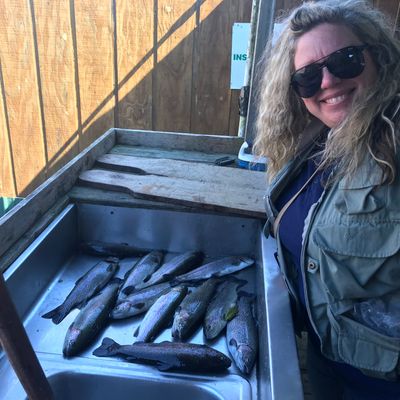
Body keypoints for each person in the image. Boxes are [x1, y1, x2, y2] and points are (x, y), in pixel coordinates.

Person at [254, 1, 400, 399]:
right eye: (308, 76)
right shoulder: (315, 140)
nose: (329, 81)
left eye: (346, 60)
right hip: (325, 359)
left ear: (378, 57)